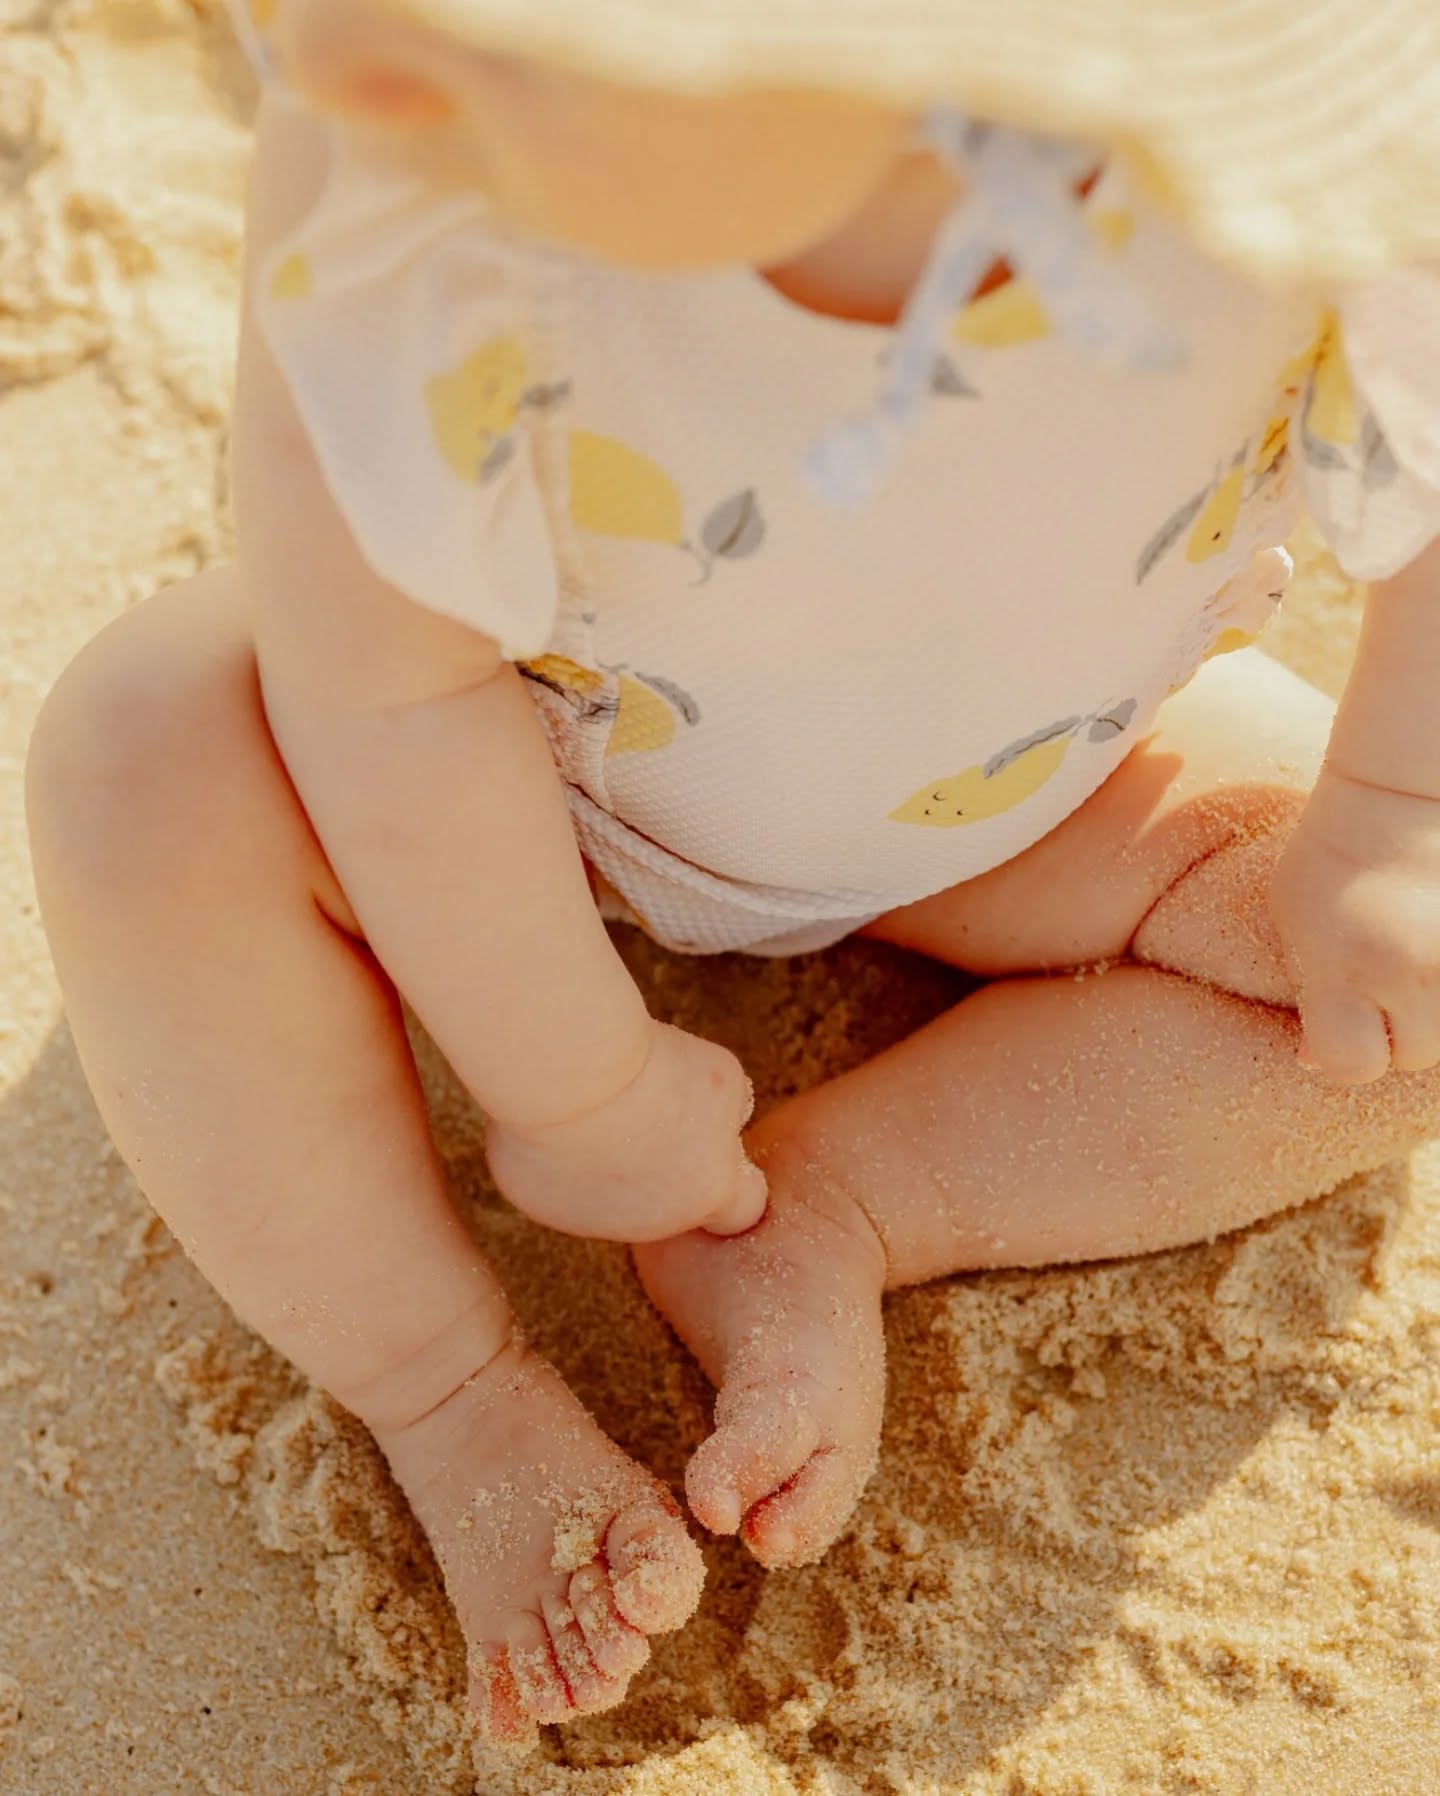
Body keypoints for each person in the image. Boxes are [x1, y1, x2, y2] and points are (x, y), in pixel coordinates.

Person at [25, 0, 1440, 1743]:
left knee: (1404, 987)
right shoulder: (416, 146)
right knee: (145, 757)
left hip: (1047, 788)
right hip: (547, 794)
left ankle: (843, 1206)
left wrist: (1388, 807)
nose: (324, 60)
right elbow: (386, 692)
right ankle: (442, 1380)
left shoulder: (1307, 137)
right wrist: (572, 1081)